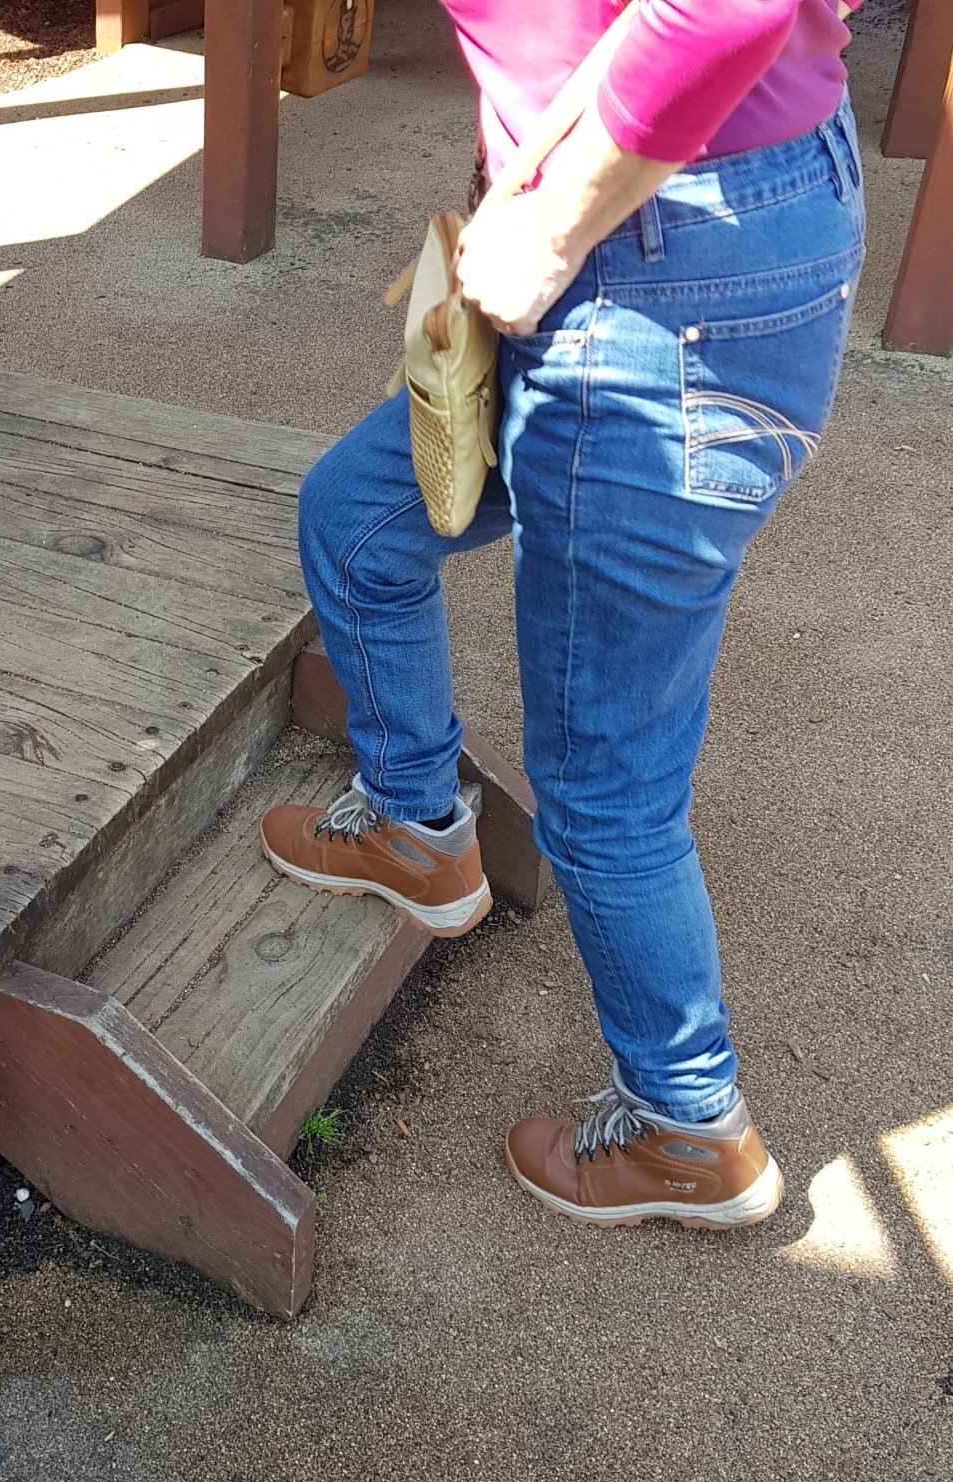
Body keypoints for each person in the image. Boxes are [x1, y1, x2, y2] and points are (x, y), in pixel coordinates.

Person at [260, 0, 866, 1230]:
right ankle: (414, 822)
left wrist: (555, 220)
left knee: (607, 788)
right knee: (358, 518)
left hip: (649, 266)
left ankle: (690, 1126)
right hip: (685, 223)